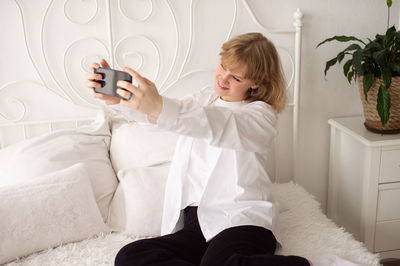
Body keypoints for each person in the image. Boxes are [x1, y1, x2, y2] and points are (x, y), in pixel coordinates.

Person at [85, 32, 312, 266]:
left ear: (256, 83)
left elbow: (215, 124)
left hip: (242, 220)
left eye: (235, 77)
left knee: (218, 263)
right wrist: (119, 102)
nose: (223, 78)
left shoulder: (260, 116)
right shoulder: (204, 99)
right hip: (198, 223)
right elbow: (165, 119)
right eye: (223, 66)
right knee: (130, 256)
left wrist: (162, 106)